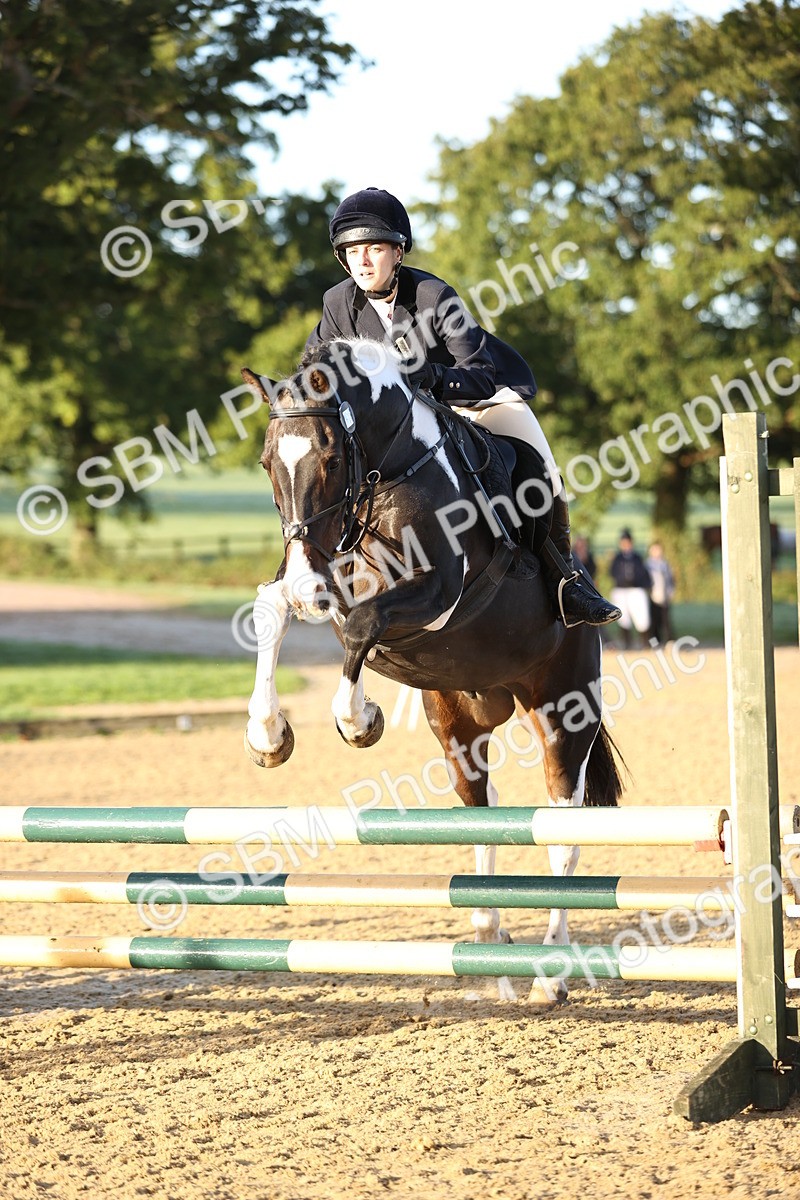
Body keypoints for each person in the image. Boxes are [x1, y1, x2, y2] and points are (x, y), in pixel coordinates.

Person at [305, 186, 621, 629]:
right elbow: (314, 371)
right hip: (397, 424)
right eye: (353, 251)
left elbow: (479, 373)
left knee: (534, 453)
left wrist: (428, 376)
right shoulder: (336, 303)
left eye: (374, 248)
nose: (362, 260)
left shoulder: (434, 295)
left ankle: (567, 579)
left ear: (398, 252)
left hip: (468, 400)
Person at [609, 530, 652, 649]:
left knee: (641, 617)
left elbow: (643, 574)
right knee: (623, 618)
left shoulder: (637, 558)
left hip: (635, 590)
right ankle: (627, 643)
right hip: (621, 590)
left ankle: (645, 643)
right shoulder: (618, 559)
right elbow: (612, 573)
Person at [646, 541, 676, 645]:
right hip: (652, 596)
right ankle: (655, 642)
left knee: (666, 620)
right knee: (653, 621)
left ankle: (669, 641)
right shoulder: (648, 565)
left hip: (664, 596)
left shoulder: (665, 564)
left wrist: (671, 591)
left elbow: (671, 579)